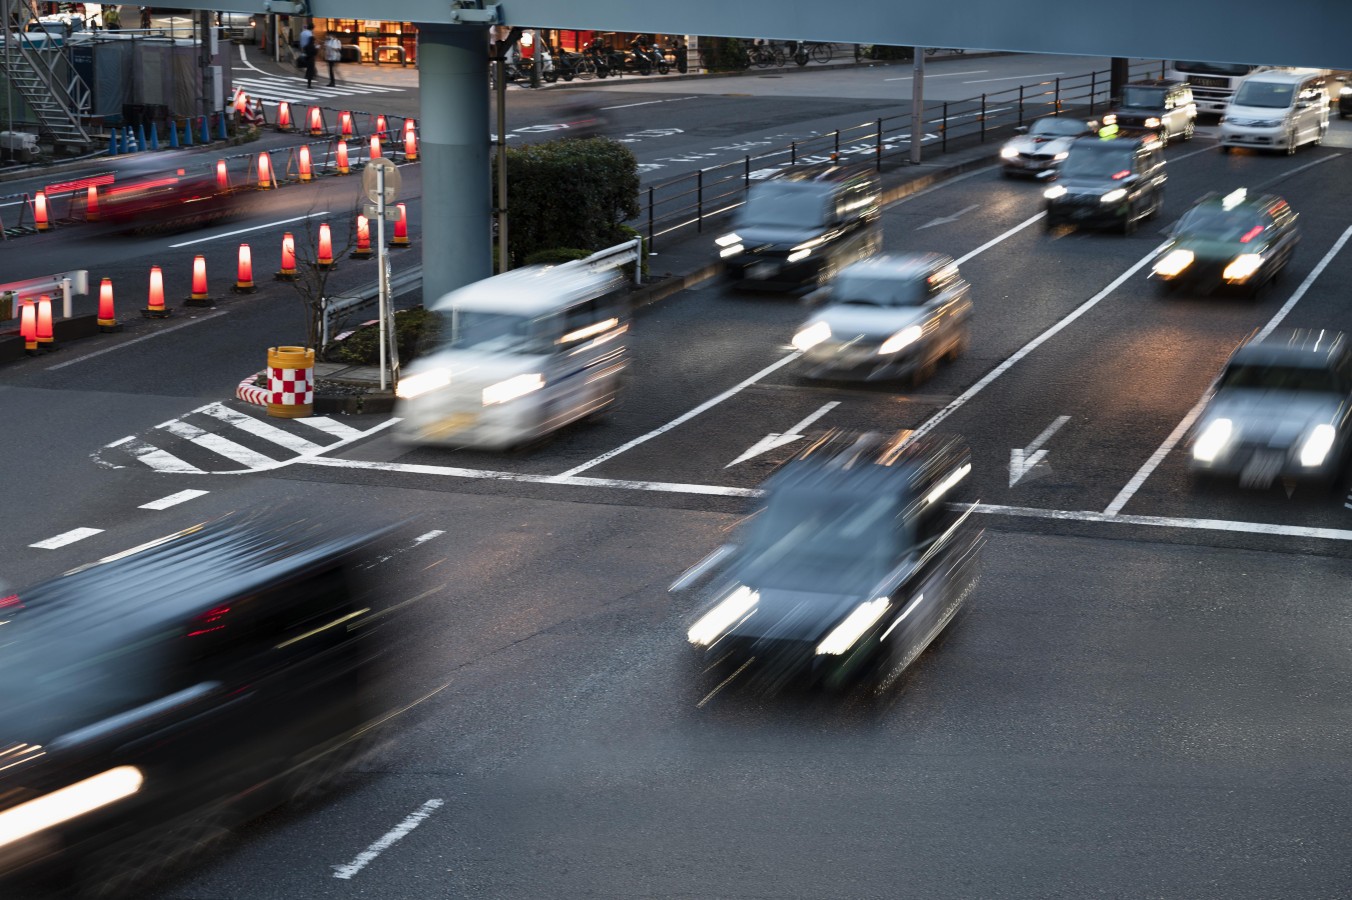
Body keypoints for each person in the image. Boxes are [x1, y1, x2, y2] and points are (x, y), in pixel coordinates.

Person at [299, 20, 317, 88]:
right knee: (310, 66)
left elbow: (301, 42)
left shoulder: (302, 33)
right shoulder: (310, 35)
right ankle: (309, 77)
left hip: (304, 49)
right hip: (309, 51)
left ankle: (309, 74)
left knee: (308, 65)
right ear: (312, 28)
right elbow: (312, 44)